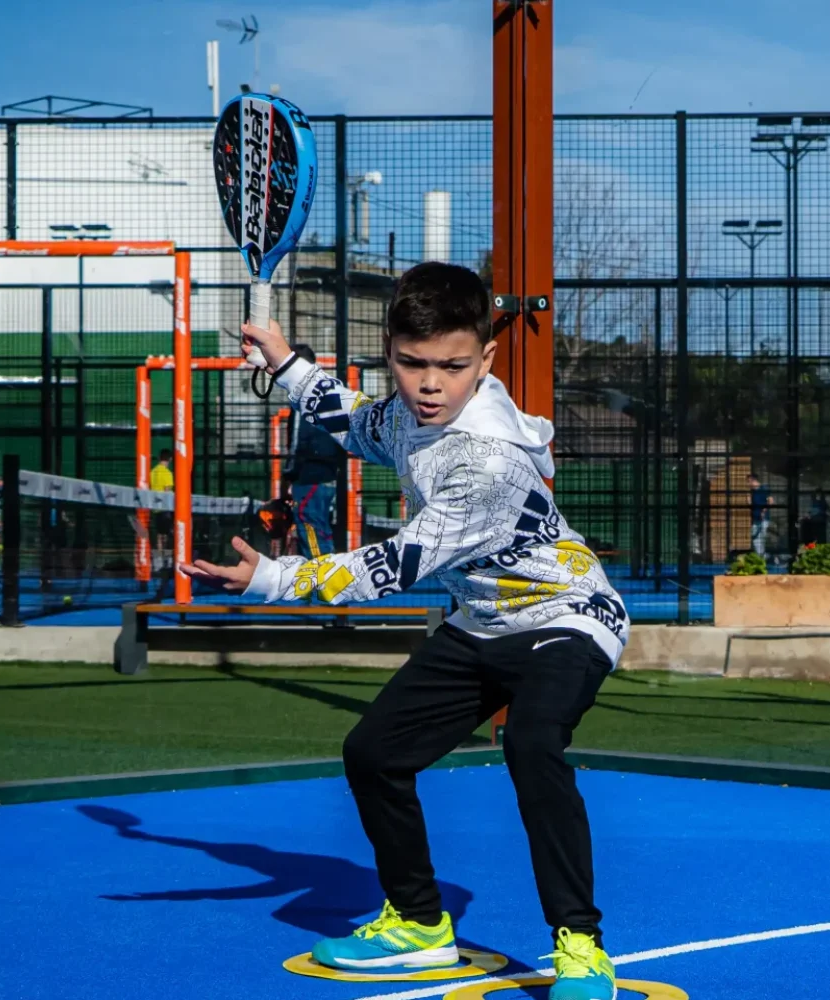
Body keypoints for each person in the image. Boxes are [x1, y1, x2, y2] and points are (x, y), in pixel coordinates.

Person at [180, 262, 628, 1000]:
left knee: (532, 741)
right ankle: (421, 925)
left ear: (485, 360)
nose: (429, 384)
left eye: (451, 367)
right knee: (373, 754)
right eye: (411, 363)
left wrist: (270, 579)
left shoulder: (485, 460)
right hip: (483, 621)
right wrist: (288, 364)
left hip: (568, 617)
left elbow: (390, 568)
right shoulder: (406, 416)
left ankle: (579, 945)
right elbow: (350, 420)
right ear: (390, 352)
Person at [285, 344, 349, 557]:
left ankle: (319, 577)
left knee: (309, 521)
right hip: (322, 474)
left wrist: (292, 472)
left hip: (312, 475)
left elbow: (300, 441)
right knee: (318, 525)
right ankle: (326, 575)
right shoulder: (324, 394)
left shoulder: (306, 400)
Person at [148, 448, 176, 573]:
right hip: (165, 508)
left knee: (160, 535)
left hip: (155, 508)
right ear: (170, 459)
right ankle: (168, 561)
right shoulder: (167, 473)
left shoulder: (152, 472)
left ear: (159, 458)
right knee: (170, 534)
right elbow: (167, 492)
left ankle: (158, 563)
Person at [748, 473, 772, 557]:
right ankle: (761, 556)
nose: (748, 484)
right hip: (755, 518)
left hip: (763, 518)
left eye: (749, 481)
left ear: (753, 480)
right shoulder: (752, 492)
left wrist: (763, 511)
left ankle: (762, 556)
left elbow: (771, 501)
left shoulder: (763, 489)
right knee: (755, 538)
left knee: (761, 538)